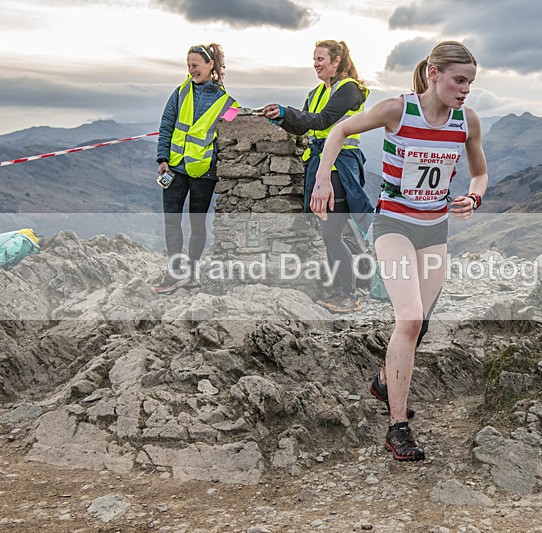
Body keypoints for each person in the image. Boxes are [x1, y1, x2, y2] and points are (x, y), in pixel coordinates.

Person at [311, 41, 488, 461]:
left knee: (419, 324)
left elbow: (479, 173)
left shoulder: (467, 122)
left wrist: (473, 198)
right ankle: (397, 427)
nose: (465, 90)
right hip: (393, 225)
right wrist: (322, 179)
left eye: (470, 83)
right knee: (408, 320)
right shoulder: (398, 110)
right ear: (434, 74)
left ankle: (382, 381)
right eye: (458, 80)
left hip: (435, 231)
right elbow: (339, 130)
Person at [262, 40, 372, 313]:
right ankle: (352, 287)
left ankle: (348, 294)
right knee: (334, 233)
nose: (316, 64)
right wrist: (282, 118)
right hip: (321, 165)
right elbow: (304, 126)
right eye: (314, 59)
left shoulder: (349, 90)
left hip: (340, 168)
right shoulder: (315, 92)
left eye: (321, 58)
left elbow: (322, 121)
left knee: (333, 234)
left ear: (337, 61)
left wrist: (287, 112)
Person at [154, 43, 239, 295]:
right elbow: (166, 125)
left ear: (210, 64)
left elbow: (234, 134)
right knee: (172, 221)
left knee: (197, 223)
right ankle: (174, 272)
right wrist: (162, 158)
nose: (191, 70)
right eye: (188, 65)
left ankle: (190, 274)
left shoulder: (227, 102)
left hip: (205, 172)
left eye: (195, 65)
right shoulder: (179, 93)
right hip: (175, 168)